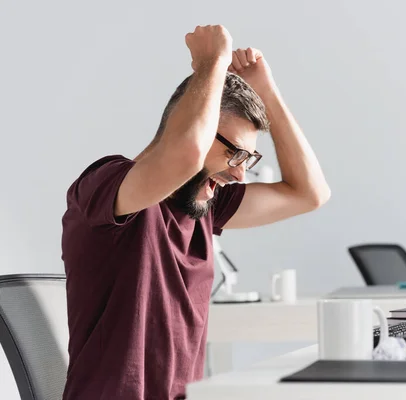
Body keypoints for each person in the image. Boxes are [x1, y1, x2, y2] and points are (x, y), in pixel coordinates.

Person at [61, 24, 330, 400]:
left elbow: (309, 193)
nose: (239, 173)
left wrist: (266, 91)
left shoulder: (205, 209)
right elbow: (184, 154)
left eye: (248, 158)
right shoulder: (105, 187)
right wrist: (211, 62)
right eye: (233, 152)